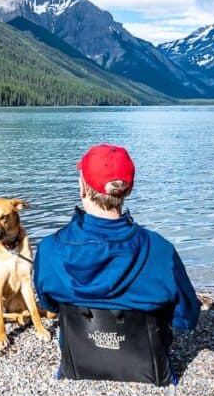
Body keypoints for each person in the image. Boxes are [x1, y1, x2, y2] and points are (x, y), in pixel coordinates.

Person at [33, 143, 201, 335]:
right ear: (129, 189)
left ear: (83, 188)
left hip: (77, 363)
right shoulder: (160, 250)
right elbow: (187, 318)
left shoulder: (49, 248)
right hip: (147, 363)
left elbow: (50, 304)